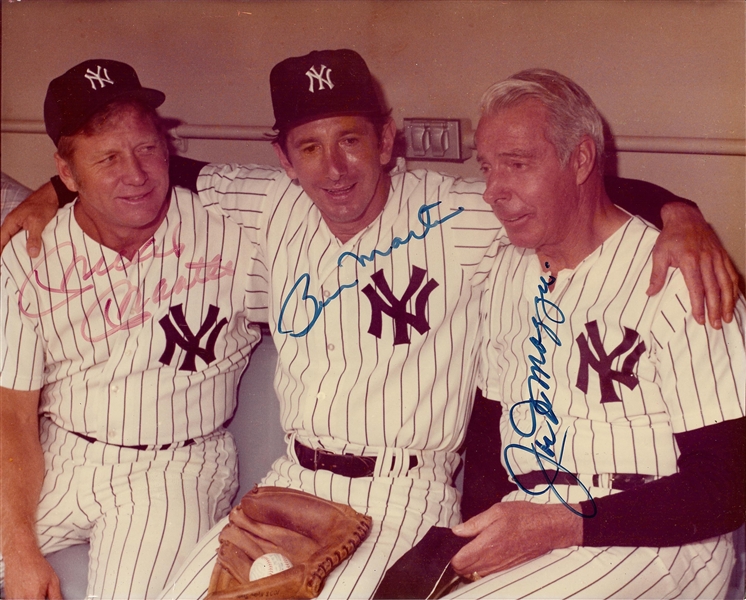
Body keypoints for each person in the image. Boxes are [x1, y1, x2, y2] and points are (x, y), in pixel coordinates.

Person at [2, 50, 738, 600]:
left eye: (352, 139)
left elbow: (571, 197)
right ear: (282, 159)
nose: (334, 168)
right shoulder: (266, 203)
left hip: (403, 490)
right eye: (309, 147)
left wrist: (682, 214)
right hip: (290, 478)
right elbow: (148, 167)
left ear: (389, 138)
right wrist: (47, 195)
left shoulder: (467, 217)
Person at [439, 69, 745, 599]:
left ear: (580, 160)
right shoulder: (508, 271)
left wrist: (564, 524)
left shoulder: (682, 277)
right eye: (487, 168)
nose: (492, 191)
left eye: (517, 164)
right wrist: (469, 549)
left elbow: (727, 485)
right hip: (532, 520)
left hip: (658, 542)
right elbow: (491, 442)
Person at [0, 59, 267, 599]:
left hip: (171, 468)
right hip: (59, 450)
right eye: (108, 158)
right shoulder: (30, 254)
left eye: (147, 148)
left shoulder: (235, 235)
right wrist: (20, 549)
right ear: (66, 173)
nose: (137, 175)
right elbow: (11, 414)